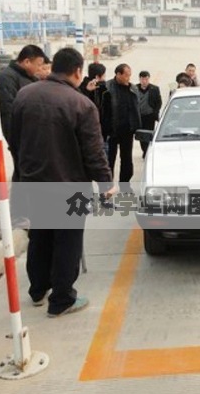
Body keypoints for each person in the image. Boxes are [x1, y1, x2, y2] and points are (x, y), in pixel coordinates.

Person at [9, 47, 115, 317]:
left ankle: (37, 290)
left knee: (41, 235)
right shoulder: (81, 104)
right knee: (68, 241)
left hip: (34, 182)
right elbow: (94, 152)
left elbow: (15, 140)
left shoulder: (25, 95)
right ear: (78, 71)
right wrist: (106, 186)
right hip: (71, 187)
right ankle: (62, 299)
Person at [101, 64, 142, 192]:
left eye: (130, 75)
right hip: (111, 131)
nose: (128, 78)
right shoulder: (107, 87)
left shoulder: (132, 88)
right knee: (109, 161)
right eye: (126, 75)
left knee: (127, 161)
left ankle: (125, 185)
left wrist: (136, 126)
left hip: (127, 131)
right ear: (118, 74)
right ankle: (108, 187)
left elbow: (136, 109)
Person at [0, 44, 46, 140]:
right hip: (20, 132)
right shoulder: (6, 77)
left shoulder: (32, 77)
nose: (39, 69)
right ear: (27, 62)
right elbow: (7, 109)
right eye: (38, 65)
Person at [136, 70, 162, 158]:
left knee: (149, 133)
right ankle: (144, 149)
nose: (144, 81)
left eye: (146, 79)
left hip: (150, 116)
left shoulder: (154, 89)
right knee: (141, 135)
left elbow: (159, 102)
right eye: (142, 79)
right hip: (139, 116)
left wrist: (155, 111)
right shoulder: (135, 89)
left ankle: (147, 151)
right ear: (139, 79)